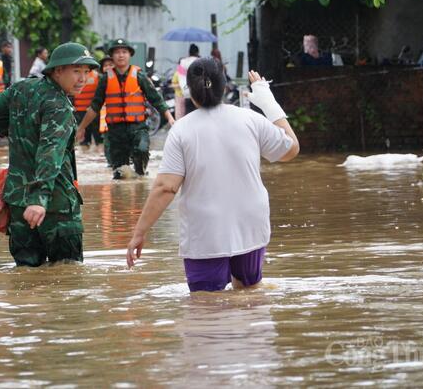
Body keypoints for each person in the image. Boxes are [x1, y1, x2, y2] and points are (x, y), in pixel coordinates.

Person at [126, 58, 300, 293]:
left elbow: (166, 187)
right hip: (250, 224)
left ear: (190, 92)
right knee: (249, 292)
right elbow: (291, 149)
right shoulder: (250, 120)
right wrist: (268, 103)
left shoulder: (182, 130)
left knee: (205, 305)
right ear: (225, 87)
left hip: (205, 232)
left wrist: (139, 232)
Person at [0, 42, 100, 266]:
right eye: (76, 71)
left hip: (17, 203)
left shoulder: (21, 88)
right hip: (55, 206)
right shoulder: (60, 107)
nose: (83, 79)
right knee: (68, 277)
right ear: (57, 70)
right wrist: (39, 200)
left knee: (26, 277)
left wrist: (16, 134)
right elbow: (50, 153)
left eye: (86, 72)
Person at [76, 39, 175, 179]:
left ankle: (141, 177)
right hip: (116, 132)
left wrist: (170, 118)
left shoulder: (140, 76)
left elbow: (156, 99)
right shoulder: (105, 79)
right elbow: (95, 106)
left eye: (124, 52)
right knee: (120, 174)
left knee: (141, 151)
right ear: (112, 56)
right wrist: (81, 127)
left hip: (138, 128)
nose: (121, 55)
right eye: (117, 52)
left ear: (129, 55)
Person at [73, 55, 104, 148]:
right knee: (83, 140)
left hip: (94, 111)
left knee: (99, 139)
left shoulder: (98, 77)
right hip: (79, 111)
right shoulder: (73, 76)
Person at [177, 43, 200, 114]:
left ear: (189, 52)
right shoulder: (200, 61)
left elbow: (181, 78)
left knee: (188, 113)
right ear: (197, 52)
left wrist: (185, 91)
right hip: (198, 93)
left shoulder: (182, 62)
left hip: (186, 93)